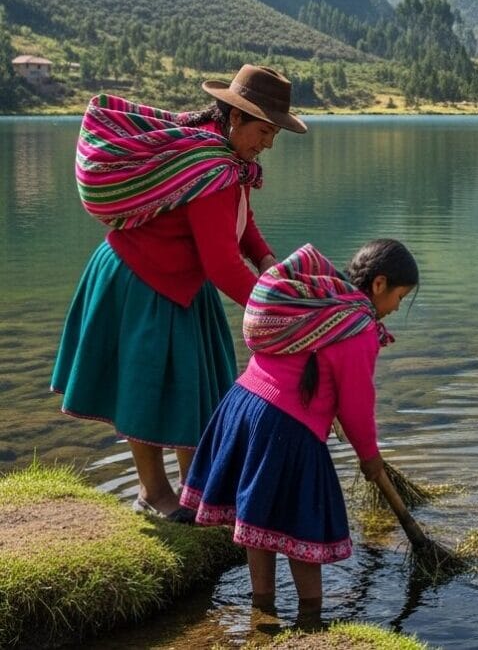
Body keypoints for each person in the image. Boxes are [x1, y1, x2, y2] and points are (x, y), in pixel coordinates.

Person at [51, 65, 306, 522]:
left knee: (197, 390)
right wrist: (278, 315)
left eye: (274, 135)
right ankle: (154, 493)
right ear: (234, 119)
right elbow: (223, 263)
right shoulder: (210, 165)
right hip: (141, 279)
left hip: (179, 281)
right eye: (264, 132)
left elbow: (239, 221)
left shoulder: (227, 160)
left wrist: (267, 261)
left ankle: (196, 493)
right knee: (143, 388)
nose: (268, 143)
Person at [180, 239, 418, 616]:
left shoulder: (322, 302)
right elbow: (357, 406)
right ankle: (311, 617)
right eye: (399, 297)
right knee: (301, 524)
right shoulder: (357, 327)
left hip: (244, 405)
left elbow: (315, 365)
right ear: (379, 285)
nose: (396, 307)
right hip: (285, 425)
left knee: (256, 513)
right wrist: (370, 458)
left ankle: (262, 609)